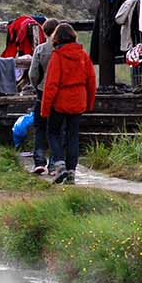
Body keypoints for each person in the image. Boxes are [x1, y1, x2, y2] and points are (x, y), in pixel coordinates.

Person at [40, 23, 96, 185]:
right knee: (73, 136)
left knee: (53, 132)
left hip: (60, 101)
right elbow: (91, 81)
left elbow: (51, 85)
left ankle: (59, 164)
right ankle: (71, 171)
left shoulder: (57, 56)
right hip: (78, 100)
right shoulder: (83, 55)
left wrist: (45, 109)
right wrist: (89, 103)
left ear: (56, 38)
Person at [27, 18, 60, 174]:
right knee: (58, 128)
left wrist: (37, 85)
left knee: (40, 126)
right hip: (60, 92)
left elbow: (33, 73)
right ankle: (55, 163)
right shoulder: (61, 49)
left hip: (42, 90)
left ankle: (39, 161)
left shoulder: (40, 49)